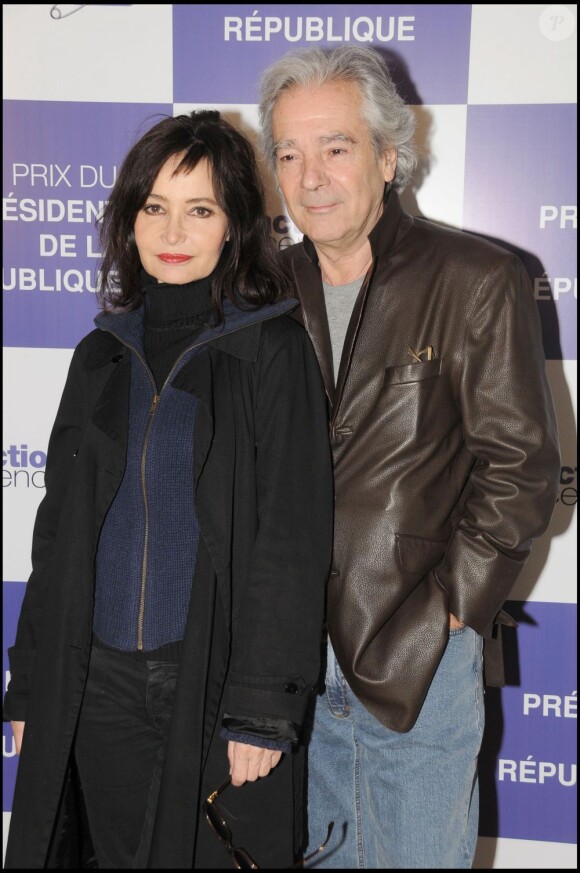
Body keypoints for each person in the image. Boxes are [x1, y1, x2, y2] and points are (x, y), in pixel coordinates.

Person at [3, 109, 334, 869]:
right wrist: (31, 684)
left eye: (200, 208)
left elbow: (291, 536)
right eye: (154, 206)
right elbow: (57, 534)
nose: (172, 228)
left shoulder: (270, 348)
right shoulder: (99, 355)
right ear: (129, 218)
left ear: (234, 225)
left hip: (213, 685)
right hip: (99, 686)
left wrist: (262, 709)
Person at [257, 46, 561, 869]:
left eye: (336, 146)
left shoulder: (477, 278)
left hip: (416, 654)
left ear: (389, 157)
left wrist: (447, 615)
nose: (310, 175)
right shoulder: (261, 293)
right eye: (289, 152)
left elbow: (522, 471)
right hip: (280, 663)